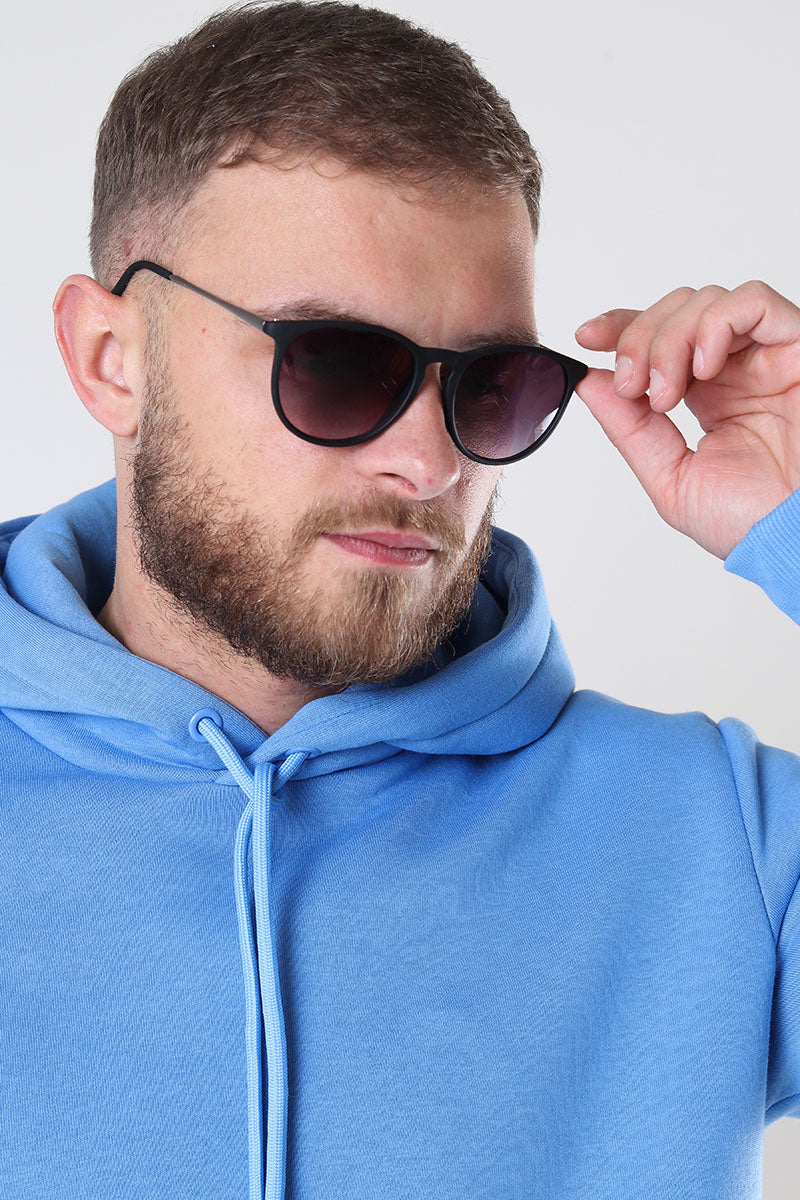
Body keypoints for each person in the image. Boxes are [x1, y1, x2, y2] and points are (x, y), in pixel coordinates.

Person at [1, 2, 798, 1197]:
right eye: (334, 364)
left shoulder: (721, 843)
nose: (427, 465)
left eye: (489, 383)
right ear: (112, 359)